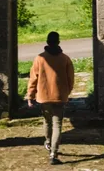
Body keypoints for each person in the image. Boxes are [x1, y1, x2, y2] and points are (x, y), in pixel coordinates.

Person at [26, 31, 75, 164]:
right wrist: (66, 92)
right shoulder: (65, 59)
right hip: (59, 96)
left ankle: (48, 142)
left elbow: (33, 79)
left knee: (47, 121)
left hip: (43, 96)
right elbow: (71, 79)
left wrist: (30, 95)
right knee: (57, 124)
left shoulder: (39, 59)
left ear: (47, 42)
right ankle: (54, 152)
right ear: (58, 42)